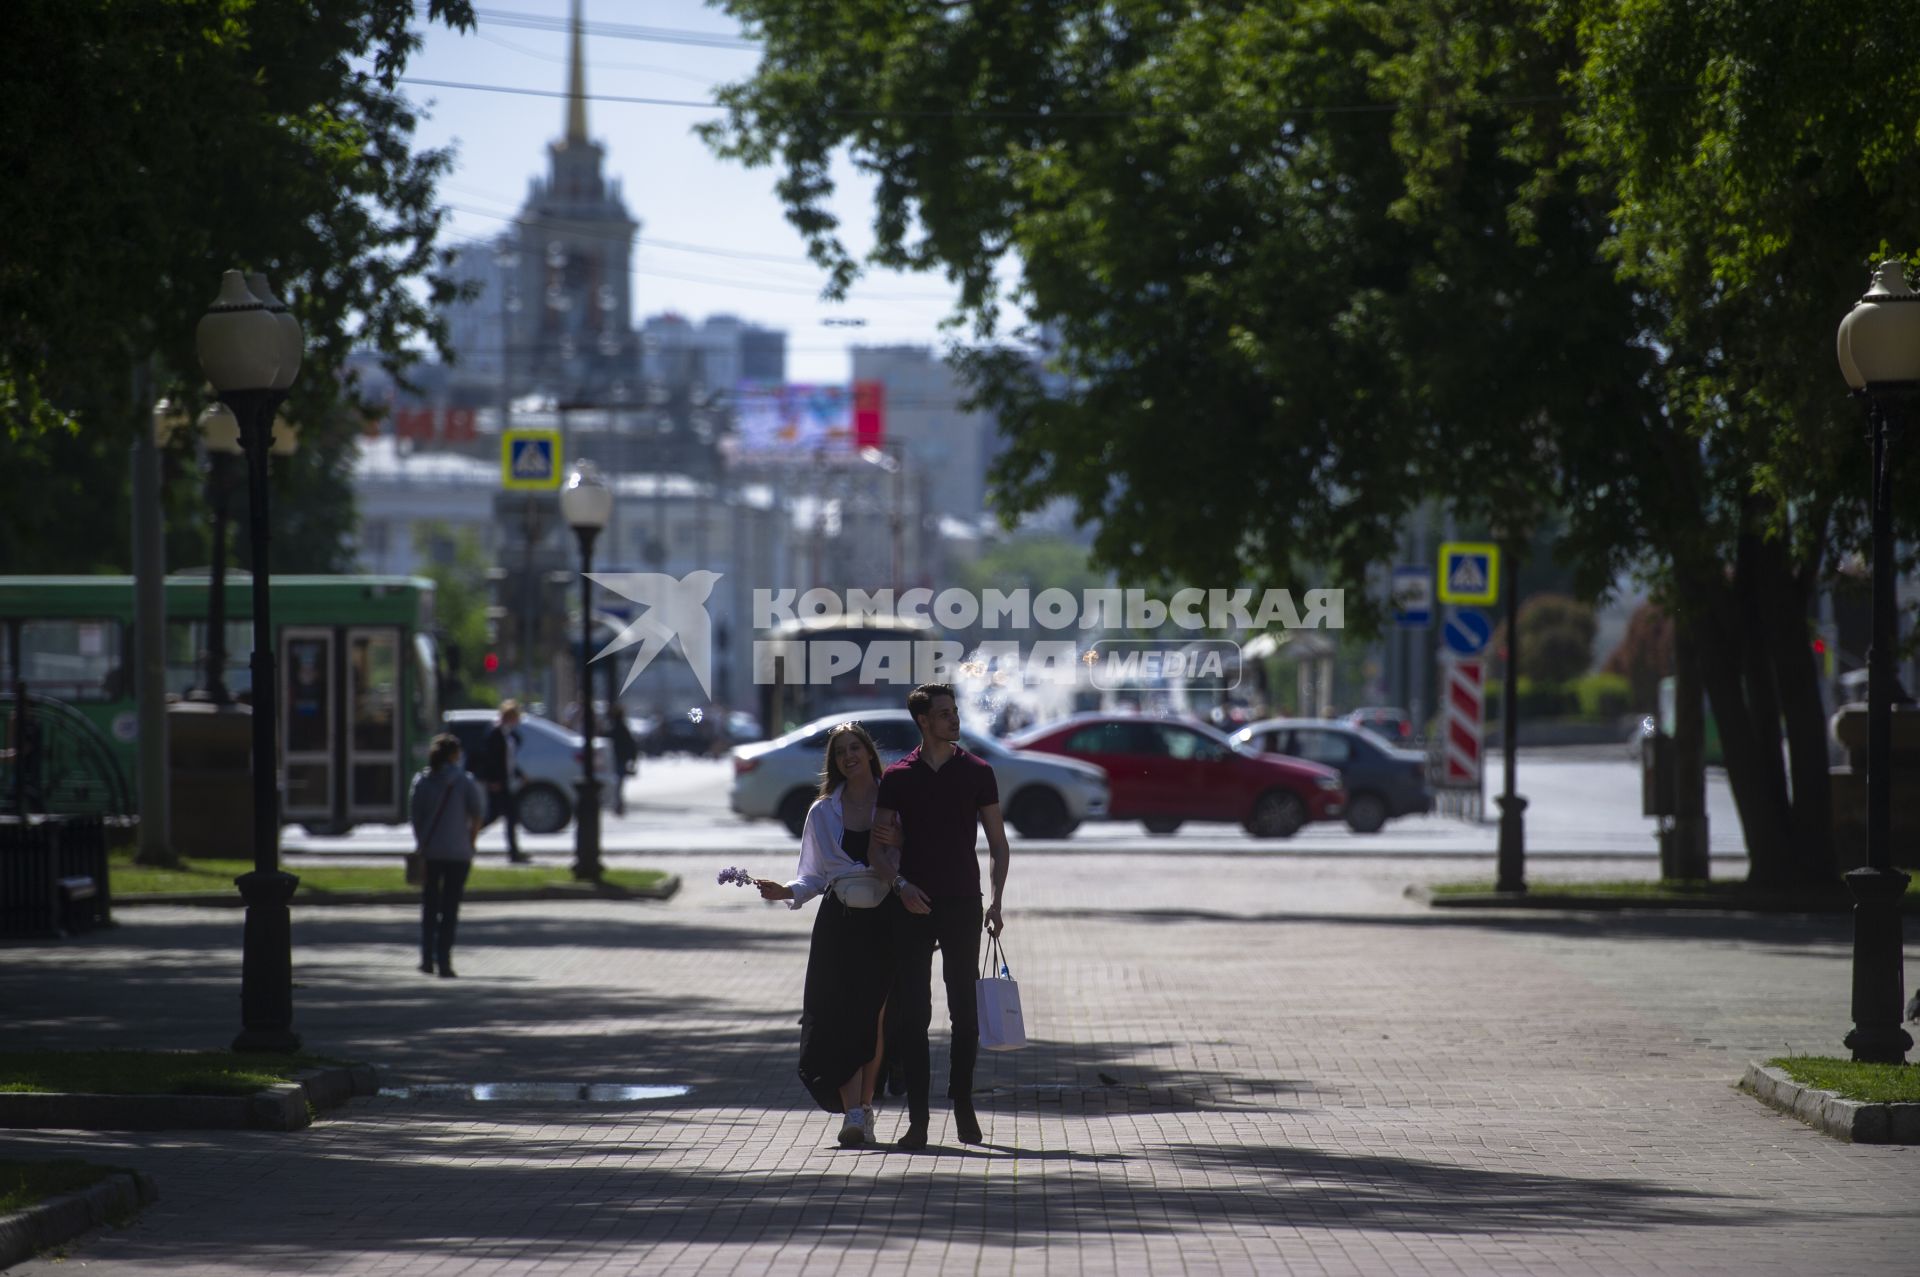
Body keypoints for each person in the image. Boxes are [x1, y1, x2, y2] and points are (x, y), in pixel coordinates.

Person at [754, 722, 904, 1149]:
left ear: (869, 753)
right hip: (839, 921)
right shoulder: (823, 811)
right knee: (836, 1014)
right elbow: (813, 876)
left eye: (856, 747)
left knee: (874, 1016)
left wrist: (901, 839)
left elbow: (914, 859)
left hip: (886, 918)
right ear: (834, 763)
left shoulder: (894, 802)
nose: (849, 757)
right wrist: (787, 892)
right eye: (840, 752)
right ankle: (852, 1114)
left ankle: (865, 1107)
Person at [877, 682, 1011, 1150]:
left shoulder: (977, 771)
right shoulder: (897, 777)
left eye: (955, 712)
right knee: (913, 1013)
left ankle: (963, 1103)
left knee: (965, 1011)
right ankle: (917, 1120)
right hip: (911, 903)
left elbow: (997, 844)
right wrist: (900, 885)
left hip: (961, 903)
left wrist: (995, 901)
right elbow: (878, 849)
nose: (954, 720)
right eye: (944, 714)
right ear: (923, 721)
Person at [411, 732, 486, 978]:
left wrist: (422, 843)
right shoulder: (464, 781)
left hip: (431, 852)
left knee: (430, 905)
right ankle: (444, 961)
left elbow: (417, 818)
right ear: (454, 755)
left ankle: (426, 958)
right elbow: (476, 815)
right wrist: (471, 842)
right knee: (450, 908)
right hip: (458, 853)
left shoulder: (422, 781)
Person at [474, 699, 530, 863]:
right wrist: (493, 780)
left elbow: (509, 761)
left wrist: (520, 774)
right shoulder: (496, 733)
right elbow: (491, 760)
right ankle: (468, 836)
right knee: (496, 816)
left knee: (505, 816)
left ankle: (514, 852)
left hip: (506, 780)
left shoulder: (507, 734)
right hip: (498, 782)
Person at [608, 708, 638, 816]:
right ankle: (618, 804)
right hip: (621, 759)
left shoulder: (614, 729)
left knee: (616, 784)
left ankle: (618, 804)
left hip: (615, 759)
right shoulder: (623, 729)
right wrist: (632, 759)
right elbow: (631, 746)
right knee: (619, 784)